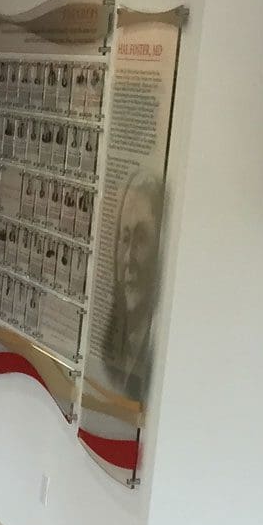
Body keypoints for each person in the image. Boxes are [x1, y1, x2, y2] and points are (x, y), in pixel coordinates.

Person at [99, 171, 162, 405]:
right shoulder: (114, 348)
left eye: (142, 239)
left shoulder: (157, 348)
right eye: (125, 238)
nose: (128, 258)